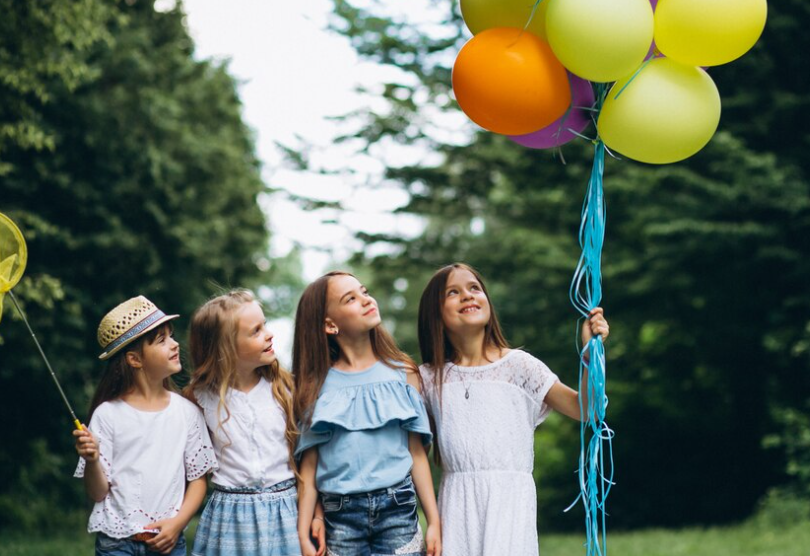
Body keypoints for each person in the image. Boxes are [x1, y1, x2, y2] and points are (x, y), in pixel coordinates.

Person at [417, 263, 610, 556]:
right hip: (456, 505)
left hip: (510, 503)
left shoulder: (519, 366)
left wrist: (589, 355)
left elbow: (587, 410)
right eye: (453, 293)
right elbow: (414, 450)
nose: (467, 296)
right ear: (435, 314)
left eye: (474, 288)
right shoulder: (429, 378)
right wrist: (431, 519)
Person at [293, 271, 442, 556]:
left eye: (364, 291)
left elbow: (417, 454)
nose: (365, 300)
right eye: (350, 298)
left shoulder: (402, 373)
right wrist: (305, 529)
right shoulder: (315, 387)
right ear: (329, 324)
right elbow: (309, 469)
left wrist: (433, 521)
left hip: (397, 508)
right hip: (341, 516)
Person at [74, 295, 217, 555]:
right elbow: (97, 493)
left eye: (171, 336)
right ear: (134, 360)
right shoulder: (107, 415)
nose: (175, 345)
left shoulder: (187, 413)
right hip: (116, 544)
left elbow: (198, 480)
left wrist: (177, 524)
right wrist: (92, 459)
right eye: (161, 340)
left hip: (168, 542)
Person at [184, 290, 318, 556]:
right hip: (230, 515)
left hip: (286, 510)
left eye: (264, 325)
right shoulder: (198, 399)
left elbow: (307, 462)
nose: (268, 334)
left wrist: (316, 515)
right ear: (225, 348)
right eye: (255, 331)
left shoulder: (285, 388)